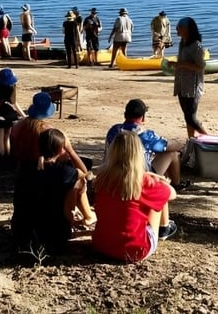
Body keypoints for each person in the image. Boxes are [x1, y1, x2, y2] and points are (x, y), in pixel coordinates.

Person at [92, 130, 177, 263]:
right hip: (136, 250)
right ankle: (164, 230)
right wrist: (158, 179)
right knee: (158, 197)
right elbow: (172, 194)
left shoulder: (102, 178)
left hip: (101, 245)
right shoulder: (143, 181)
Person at [12, 128, 97, 253]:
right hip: (53, 237)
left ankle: (83, 216)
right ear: (60, 149)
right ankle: (83, 216)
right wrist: (71, 150)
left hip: (21, 231)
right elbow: (85, 173)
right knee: (78, 182)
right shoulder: (64, 172)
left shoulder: (25, 167)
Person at [104, 99, 188, 190]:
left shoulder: (113, 130)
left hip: (112, 174)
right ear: (143, 117)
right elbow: (171, 146)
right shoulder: (145, 136)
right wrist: (182, 145)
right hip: (139, 179)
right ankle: (176, 185)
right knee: (172, 154)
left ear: (125, 115)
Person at [169, 17, 209, 137]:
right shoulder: (182, 43)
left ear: (188, 29)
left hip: (192, 87)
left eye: (180, 26)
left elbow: (201, 66)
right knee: (187, 117)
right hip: (182, 84)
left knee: (191, 117)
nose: (177, 29)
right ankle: (191, 140)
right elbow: (183, 62)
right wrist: (175, 65)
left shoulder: (196, 46)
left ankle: (209, 138)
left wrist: (181, 64)